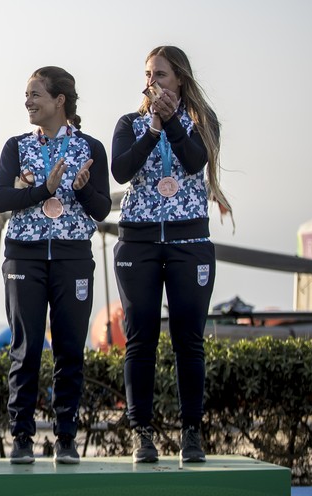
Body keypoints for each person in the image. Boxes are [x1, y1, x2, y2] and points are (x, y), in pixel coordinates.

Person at [111, 45, 231, 464]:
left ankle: (191, 433)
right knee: (141, 339)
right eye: (147, 75)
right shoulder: (130, 123)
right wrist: (153, 128)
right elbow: (121, 170)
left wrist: (175, 121)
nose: (151, 82)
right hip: (138, 242)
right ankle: (141, 433)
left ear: (179, 78)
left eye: (160, 75)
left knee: (189, 341)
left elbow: (196, 160)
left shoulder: (203, 121)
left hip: (189, 243)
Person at [0, 67, 111, 465]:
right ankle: (22, 436)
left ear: (59, 100)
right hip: (23, 256)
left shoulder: (91, 147)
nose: (27, 101)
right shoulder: (16, 145)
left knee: (70, 350)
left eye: (35, 94)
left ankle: (65, 438)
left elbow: (102, 208)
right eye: (26, 95)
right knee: (25, 350)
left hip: (72, 255)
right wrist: (43, 190)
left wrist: (83, 189)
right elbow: (0, 199)